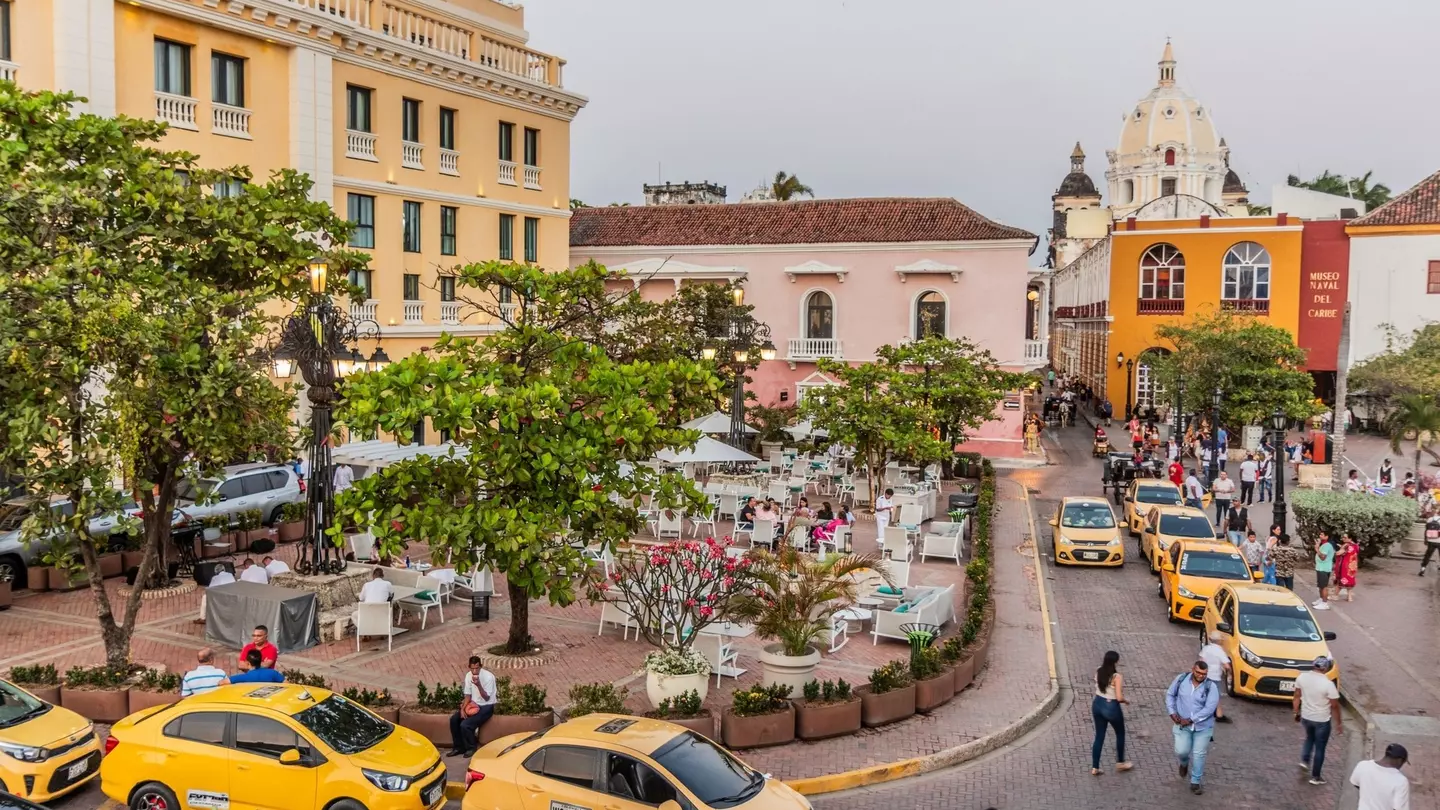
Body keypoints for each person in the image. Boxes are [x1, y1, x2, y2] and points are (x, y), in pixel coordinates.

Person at [1166, 660, 1220, 795]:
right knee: (1181, 751)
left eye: (1204, 674)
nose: (1201, 676)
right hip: (1181, 725)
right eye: (1198, 672)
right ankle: (1184, 763)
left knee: (1199, 754)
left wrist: (1191, 720)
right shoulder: (1181, 679)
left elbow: (1209, 709)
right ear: (1193, 670)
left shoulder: (1211, 687)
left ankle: (1195, 781)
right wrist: (1172, 712)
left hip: (1203, 727)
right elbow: (1170, 695)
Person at [1294, 656, 1342, 786]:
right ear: (1325, 668)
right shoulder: (1328, 684)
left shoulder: (1302, 677)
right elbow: (1334, 706)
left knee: (1309, 738)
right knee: (1320, 747)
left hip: (1306, 716)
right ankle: (1316, 777)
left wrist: (1296, 712)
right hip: (1322, 720)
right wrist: (1339, 723)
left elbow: (1297, 696)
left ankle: (1304, 761)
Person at [1090, 651, 1133, 776]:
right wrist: (1126, 701)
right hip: (1111, 707)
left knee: (1099, 736)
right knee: (1120, 733)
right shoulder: (1117, 677)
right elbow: (1119, 697)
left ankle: (1095, 767)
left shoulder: (1098, 670)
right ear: (1115, 662)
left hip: (1097, 704)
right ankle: (1120, 762)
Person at [447, 656, 497, 758]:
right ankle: (458, 747)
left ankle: (471, 748)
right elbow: (468, 695)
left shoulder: (489, 677)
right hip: (473, 705)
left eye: (477, 668)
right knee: (454, 720)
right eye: (472, 668)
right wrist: (462, 709)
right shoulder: (468, 676)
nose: (474, 671)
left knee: (465, 725)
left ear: (480, 666)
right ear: (469, 667)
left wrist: (478, 685)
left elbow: (486, 698)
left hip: (486, 706)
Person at [1350, 744, 1410, 810]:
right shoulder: (1401, 781)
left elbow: (1355, 783)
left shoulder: (1363, 765)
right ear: (1399, 760)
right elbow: (1399, 808)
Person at [1198, 632, 1232, 723]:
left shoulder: (1206, 648)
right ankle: (1218, 715)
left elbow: (1201, 660)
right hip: (1215, 677)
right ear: (1220, 641)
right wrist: (1228, 673)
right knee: (1216, 696)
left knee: (1205, 694)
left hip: (1205, 676)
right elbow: (1227, 666)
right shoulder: (1220, 651)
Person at [1313, 530, 1334, 610]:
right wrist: (1318, 545)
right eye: (1320, 534)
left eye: (1322, 535)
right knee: (1320, 586)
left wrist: (1317, 549)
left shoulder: (1327, 545)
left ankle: (1324, 603)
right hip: (1320, 568)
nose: (1320, 536)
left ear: (1326, 536)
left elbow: (1323, 557)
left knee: (1324, 586)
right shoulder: (1324, 545)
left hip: (1324, 569)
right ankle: (1321, 599)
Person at [1334, 533, 1359, 601]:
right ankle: (1349, 597)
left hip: (1344, 566)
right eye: (1343, 537)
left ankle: (1335, 596)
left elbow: (1338, 553)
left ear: (1350, 538)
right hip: (1352, 567)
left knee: (1340, 581)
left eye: (1345, 537)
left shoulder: (1346, 545)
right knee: (1349, 581)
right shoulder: (1355, 545)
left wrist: (1337, 551)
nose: (1343, 539)